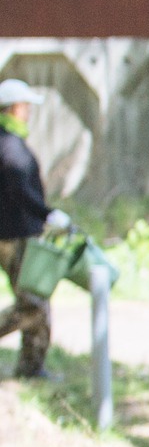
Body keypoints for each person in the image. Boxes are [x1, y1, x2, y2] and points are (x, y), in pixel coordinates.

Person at [0, 78, 70, 379]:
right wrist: (47, 213)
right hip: (13, 234)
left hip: (20, 230)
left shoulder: (11, 141)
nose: (28, 112)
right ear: (13, 108)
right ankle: (31, 367)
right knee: (33, 304)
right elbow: (18, 187)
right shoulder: (8, 146)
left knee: (35, 300)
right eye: (25, 106)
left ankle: (32, 367)